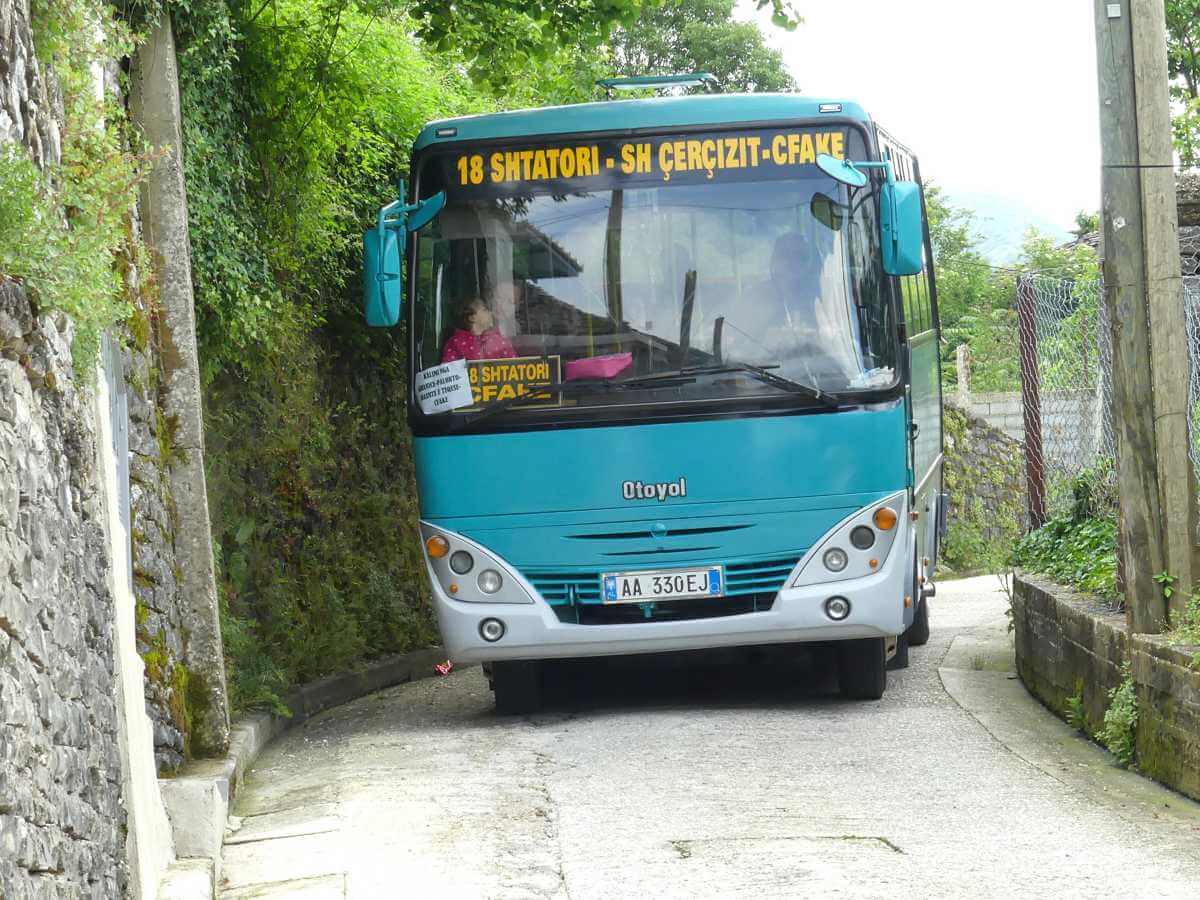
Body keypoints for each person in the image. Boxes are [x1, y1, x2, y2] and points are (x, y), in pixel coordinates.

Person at [441, 297, 517, 362]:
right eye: (485, 310)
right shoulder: (456, 342)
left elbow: (515, 366)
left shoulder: (500, 341)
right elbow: (450, 371)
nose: (490, 313)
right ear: (472, 318)